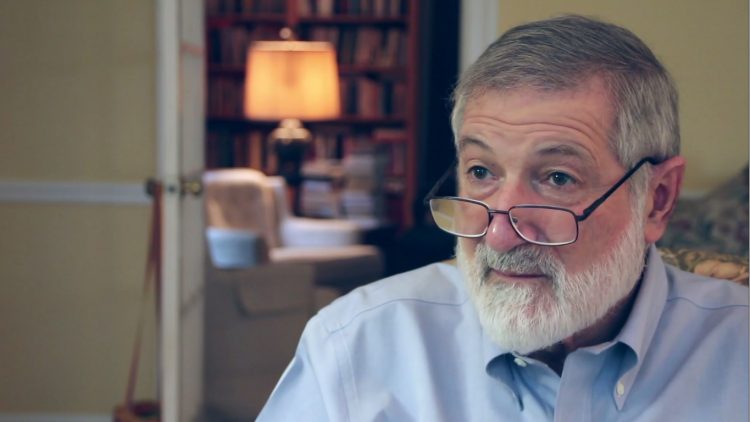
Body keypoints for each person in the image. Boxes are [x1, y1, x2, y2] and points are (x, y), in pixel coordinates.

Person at [257, 15, 749, 421]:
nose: (498, 233)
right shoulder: (353, 347)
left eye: (557, 178)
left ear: (658, 200)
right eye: (481, 172)